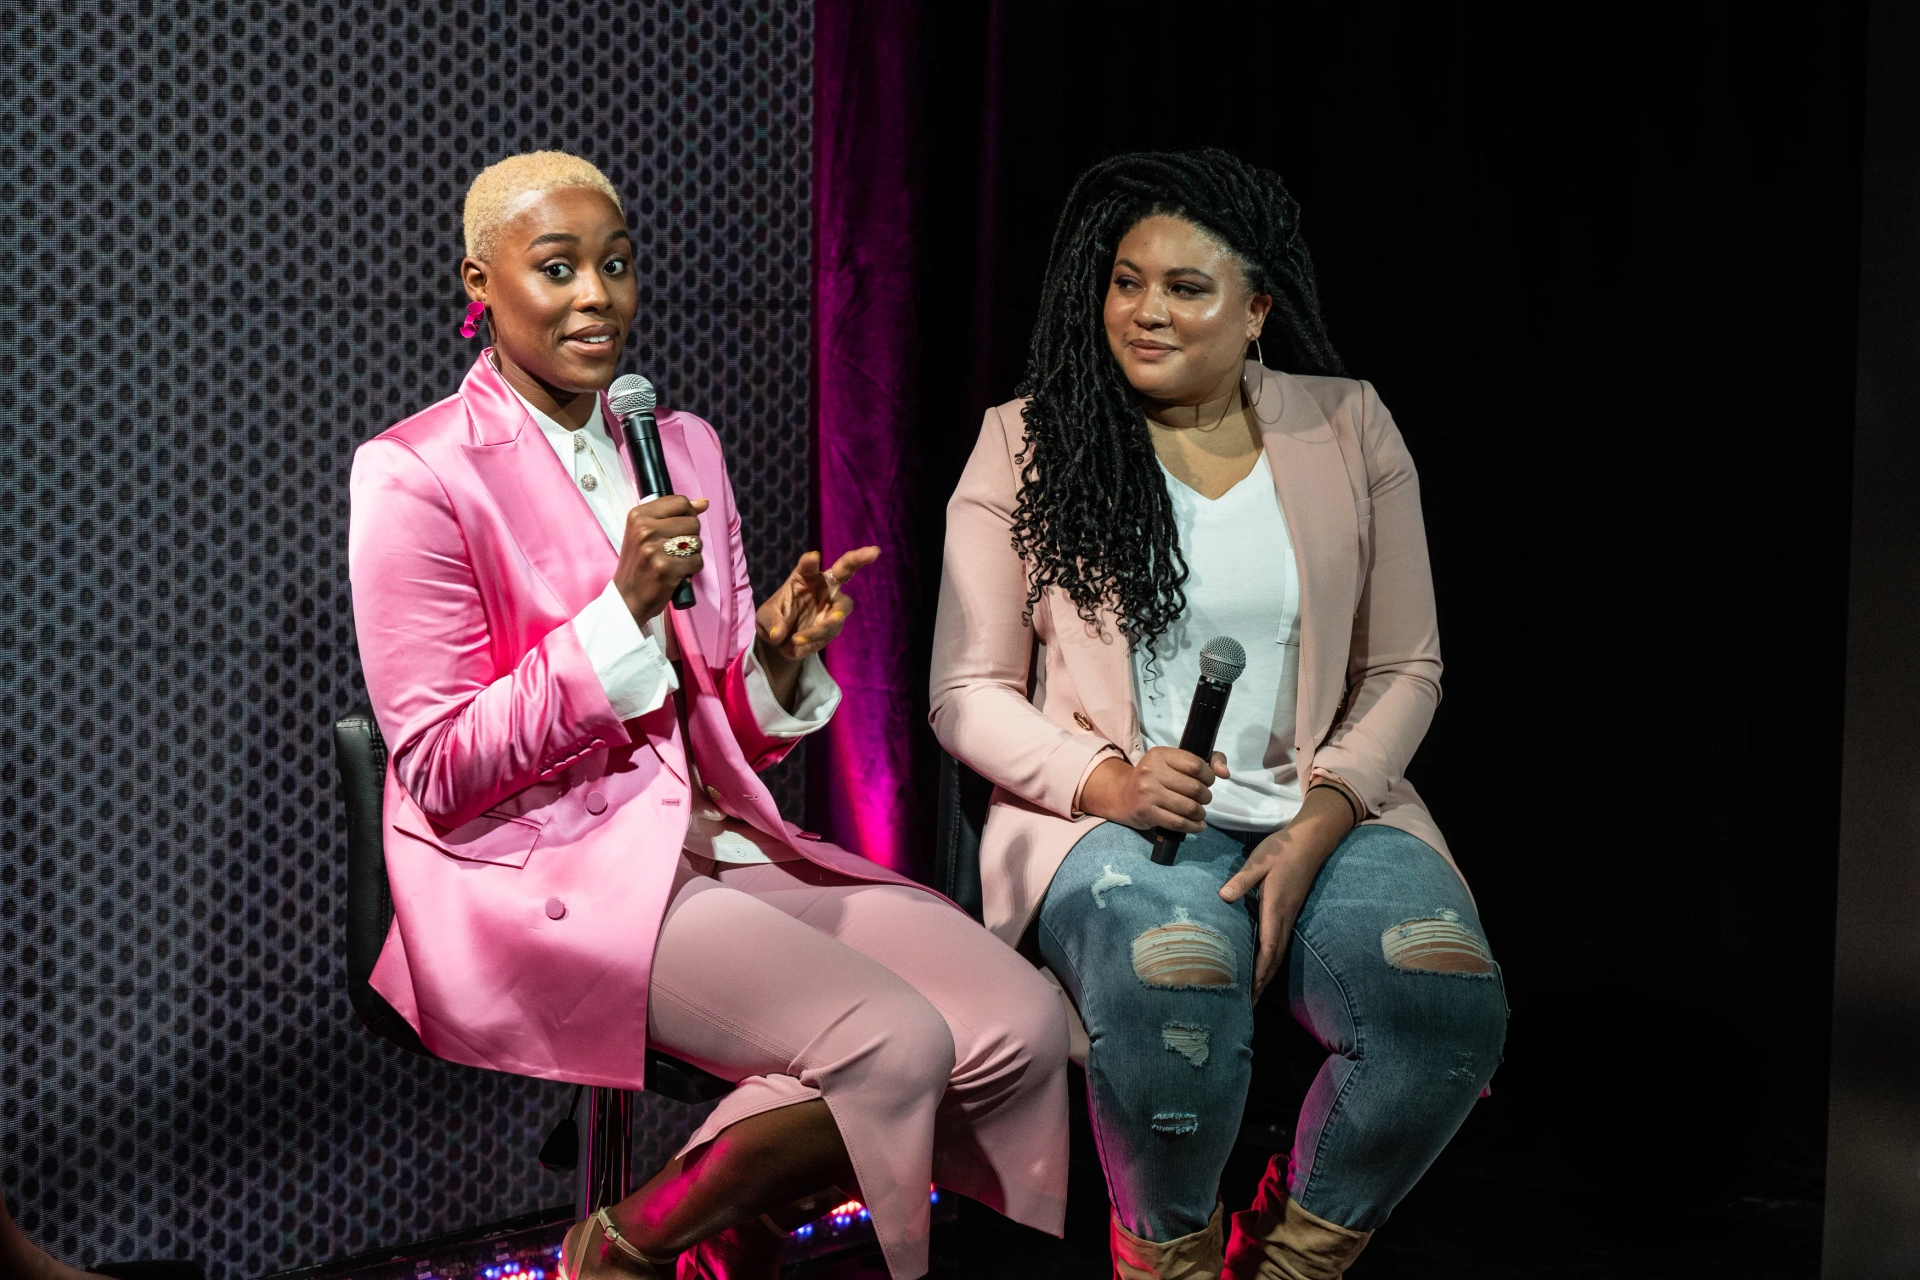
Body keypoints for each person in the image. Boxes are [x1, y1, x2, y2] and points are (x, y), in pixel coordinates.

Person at [348, 152, 1067, 1280]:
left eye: (618, 265)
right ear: (478, 285)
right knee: (898, 1039)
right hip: (538, 866)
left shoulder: (682, 446)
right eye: (558, 268)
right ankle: (647, 1250)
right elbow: (439, 765)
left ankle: (652, 1239)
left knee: (1017, 1021)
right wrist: (616, 611)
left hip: (708, 836)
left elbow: (728, 727)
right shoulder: (415, 471)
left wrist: (775, 657)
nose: (598, 294)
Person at [930, 149, 1508, 1280]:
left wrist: (1324, 813)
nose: (1145, 312)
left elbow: (1408, 664)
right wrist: (1107, 779)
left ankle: (1290, 1257)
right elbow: (967, 692)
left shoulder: (1348, 427)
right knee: (1174, 976)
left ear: (1255, 311)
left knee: (1443, 1001)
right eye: (1127, 281)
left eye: (1185, 289)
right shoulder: (1028, 439)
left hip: (1331, 805)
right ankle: (1168, 1260)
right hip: (1112, 825)